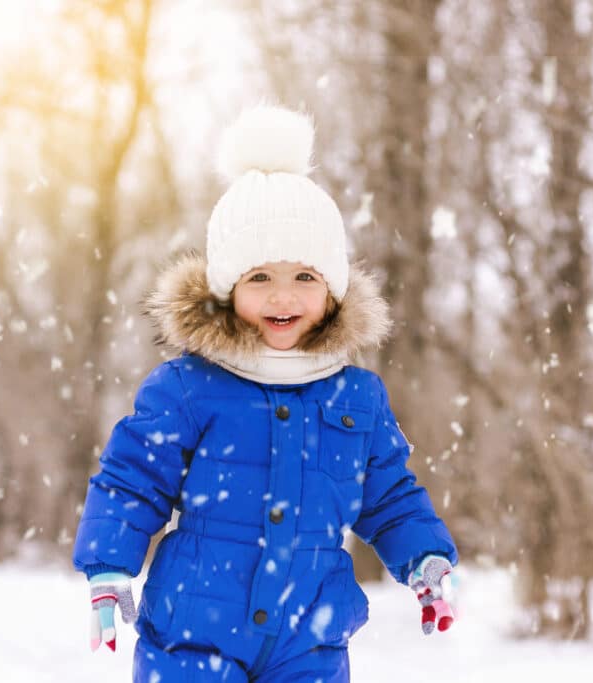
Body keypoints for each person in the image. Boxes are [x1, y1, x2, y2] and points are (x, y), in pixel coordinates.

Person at [73, 105, 459, 682]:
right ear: (229, 291)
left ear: (332, 291)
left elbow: (389, 494)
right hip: (193, 630)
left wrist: (426, 557)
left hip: (311, 637)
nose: (284, 297)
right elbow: (132, 479)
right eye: (260, 278)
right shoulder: (189, 386)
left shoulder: (357, 396)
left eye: (305, 277)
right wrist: (109, 567)